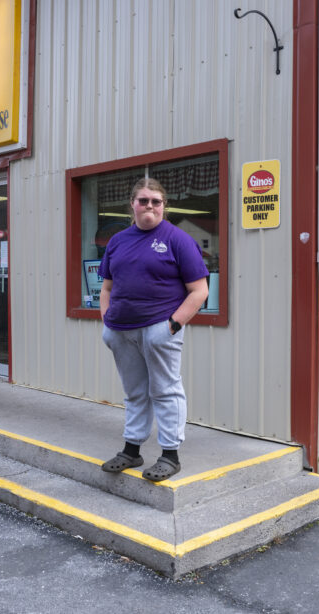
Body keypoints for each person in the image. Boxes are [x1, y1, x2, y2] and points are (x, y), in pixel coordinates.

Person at [99, 177, 209, 481]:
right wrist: (107, 321)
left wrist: (172, 325)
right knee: (134, 392)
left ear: (164, 206)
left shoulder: (177, 239)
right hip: (121, 331)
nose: (150, 206)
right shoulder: (118, 241)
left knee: (165, 390)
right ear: (132, 205)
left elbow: (199, 291)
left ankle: (170, 456)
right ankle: (131, 451)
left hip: (159, 328)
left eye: (156, 201)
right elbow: (106, 287)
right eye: (144, 200)